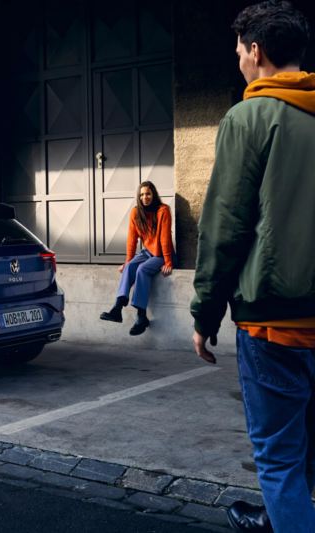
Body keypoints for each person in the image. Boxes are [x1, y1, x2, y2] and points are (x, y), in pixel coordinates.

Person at [190, 2, 315, 531]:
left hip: (275, 318)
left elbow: (225, 224)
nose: (239, 59)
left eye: (240, 50)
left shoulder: (249, 118)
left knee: (279, 456)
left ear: (255, 50)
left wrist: (204, 314)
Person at [100, 181, 174, 336]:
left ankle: (141, 317)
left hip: (161, 254)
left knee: (142, 270)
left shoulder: (163, 211)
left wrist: (168, 261)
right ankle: (117, 308)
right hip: (147, 252)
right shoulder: (136, 213)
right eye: (141, 195)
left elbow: (165, 238)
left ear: (153, 194)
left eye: (148, 194)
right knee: (130, 267)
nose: (145, 197)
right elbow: (131, 240)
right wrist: (127, 262)